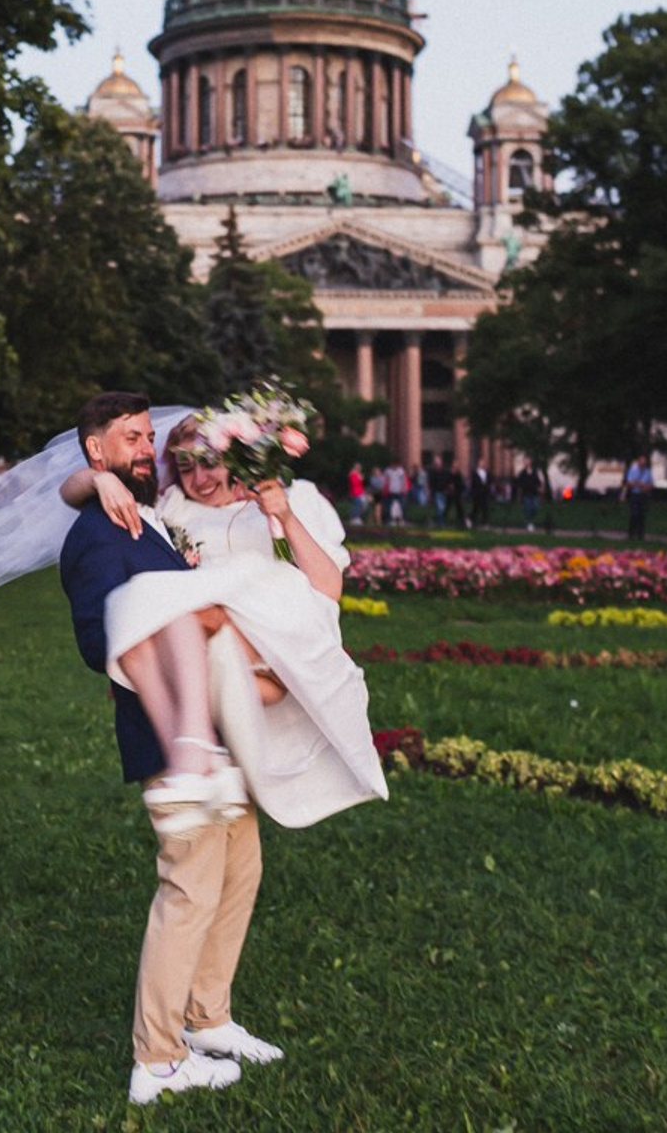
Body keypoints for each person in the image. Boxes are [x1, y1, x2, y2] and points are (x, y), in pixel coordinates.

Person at [58, 394, 385, 1106]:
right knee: (189, 887)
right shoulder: (98, 534)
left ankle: (208, 1020)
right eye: (132, 441)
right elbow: (101, 637)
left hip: (228, 730)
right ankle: (158, 1058)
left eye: (150, 440)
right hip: (174, 733)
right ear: (95, 450)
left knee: (238, 875)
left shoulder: (150, 518)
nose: (148, 453)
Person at [624, 455, 653, 541]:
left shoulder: (648, 472)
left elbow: (650, 485)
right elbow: (629, 483)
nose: (643, 464)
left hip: (643, 496)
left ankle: (641, 535)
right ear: (638, 462)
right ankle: (631, 534)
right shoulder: (633, 470)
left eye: (644, 463)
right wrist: (642, 485)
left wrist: (638, 484)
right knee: (634, 514)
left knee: (642, 515)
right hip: (634, 495)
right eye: (641, 462)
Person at [516, 459, 543, 532]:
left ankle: (531, 521)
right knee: (527, 508)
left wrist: (540, 488)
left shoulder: (534, 472)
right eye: (526, 462)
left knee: (535, 507)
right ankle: (528, 523)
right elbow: (519, 483)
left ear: (530, 463)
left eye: (528, 462)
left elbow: (538, 481)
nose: (527, 463)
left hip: (534, 493)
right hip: (526, 494)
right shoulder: (522, 473)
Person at [382, 459, 408, 527]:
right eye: (393, 464)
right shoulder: (387, 471)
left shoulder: (401, 471)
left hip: (399, 491)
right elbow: (384, 481)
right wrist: (385, 489)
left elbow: (404, 481)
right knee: (389, 506)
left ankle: (401, 520)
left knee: (401, 506)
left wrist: (404, 489)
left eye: (396, 465)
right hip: (390, 491)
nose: (395, 466)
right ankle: (391, 520)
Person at [427, 454, 450, 528]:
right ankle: (440, 523)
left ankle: (440, 522)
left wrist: (448, 489)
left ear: (441, 462)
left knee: (442, 508)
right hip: (437, 492)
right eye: (435, 462)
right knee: (440, 508)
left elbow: (448, 481)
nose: (437, 464)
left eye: (438, 462)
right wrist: (429, 493)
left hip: (444, 492)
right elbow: (430, 483)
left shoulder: (446, 471)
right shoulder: (432, 472)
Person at [469, 459, 490, 528]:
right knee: (476, 508)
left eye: (483, 463)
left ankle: (484, 522)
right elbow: (473, 484)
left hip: (484, 494)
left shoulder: (486, 473)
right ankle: (472, 521)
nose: (482, 464)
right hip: (477, 494)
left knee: (485, 508)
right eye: (481, 463)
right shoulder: (475, 473)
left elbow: (488, 482)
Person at [346, 461, 367, 526]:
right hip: (355, 493)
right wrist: (359, 478)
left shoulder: (358, 474)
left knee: (361, 505)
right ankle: (354, 518)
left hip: (360, 492)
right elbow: (354, 483)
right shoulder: (353, 474)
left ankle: (357, 517)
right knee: (357, 505)